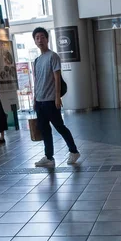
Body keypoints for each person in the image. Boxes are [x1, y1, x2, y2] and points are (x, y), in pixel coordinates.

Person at [32, 27, 80, 167]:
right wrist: (35, 99)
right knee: (44, 130)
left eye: (42, 37)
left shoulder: (53, 56)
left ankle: (74, 151)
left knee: (59, 127)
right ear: (35, 41)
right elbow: (37, 81)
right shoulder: (37, 60)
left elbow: (57, 77)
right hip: (40, 101)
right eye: (37, 38)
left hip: (50, 100)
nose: (40, 40)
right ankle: (49, 157)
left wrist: (57, 97)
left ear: (47, 39)